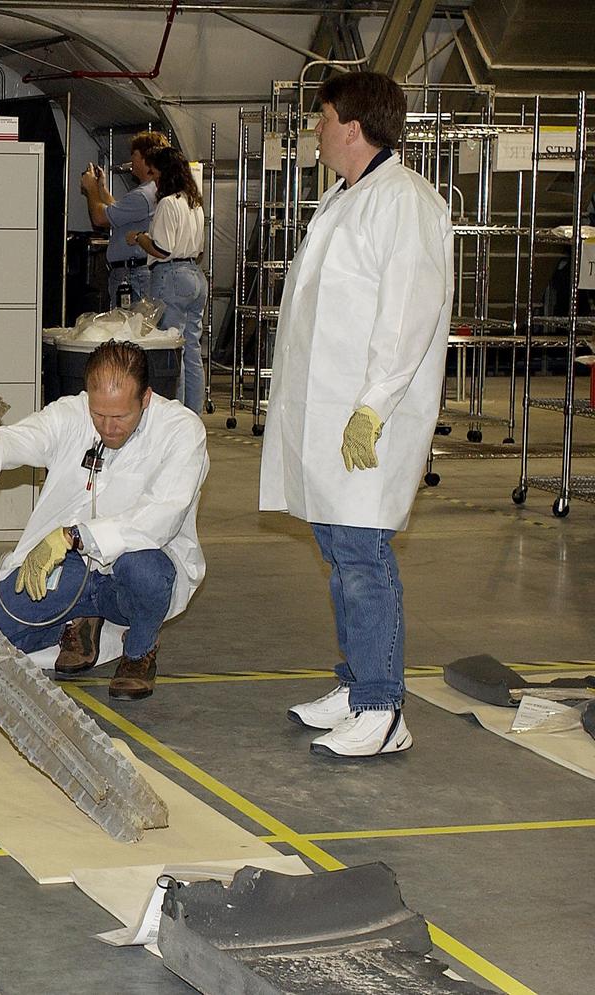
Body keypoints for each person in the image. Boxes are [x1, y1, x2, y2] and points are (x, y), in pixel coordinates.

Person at [260, 71, 453, 758]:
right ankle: (356, 683)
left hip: (370, 419)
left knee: (364, 556)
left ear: (350, 122)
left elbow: (408, 314)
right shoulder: (347, 197)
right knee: (340, 551)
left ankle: (383, 707)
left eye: (322, 115)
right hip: (327, 416)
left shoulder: (404, 201)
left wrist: (371, 408)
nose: (314, 127)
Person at [0, 340, 208, 701]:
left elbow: (160, 518)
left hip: (131, 572)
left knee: (145, 569)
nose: (108, 427)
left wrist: (74, 535)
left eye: (120, 417)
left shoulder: (181, 431)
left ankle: (140, 651)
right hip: (73, 567)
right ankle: (80, 622)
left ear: (146, 398)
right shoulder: (72, 414)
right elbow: (25, 438)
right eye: (99, 415)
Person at [125, 146, 207, 414]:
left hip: (171, 276)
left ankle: (175, 413)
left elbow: (162, 248)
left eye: (155, 172)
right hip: (195, 275)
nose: (154, 179)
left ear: (163, 173)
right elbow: (200, 248)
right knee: (192, 349)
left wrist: (139, 238)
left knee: (173, 348)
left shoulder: (168, 203)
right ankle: (193, 412)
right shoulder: (194, 203)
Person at [79, 131, 169, 310]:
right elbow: (120, 215)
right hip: (134, 273)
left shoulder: (142, 195)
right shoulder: (149, 192)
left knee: (131, 330)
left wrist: (91, 190)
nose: (131, 161)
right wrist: (102, 189)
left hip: (133, 275)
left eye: (134, 155)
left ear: (146, 159)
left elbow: (100, 218)